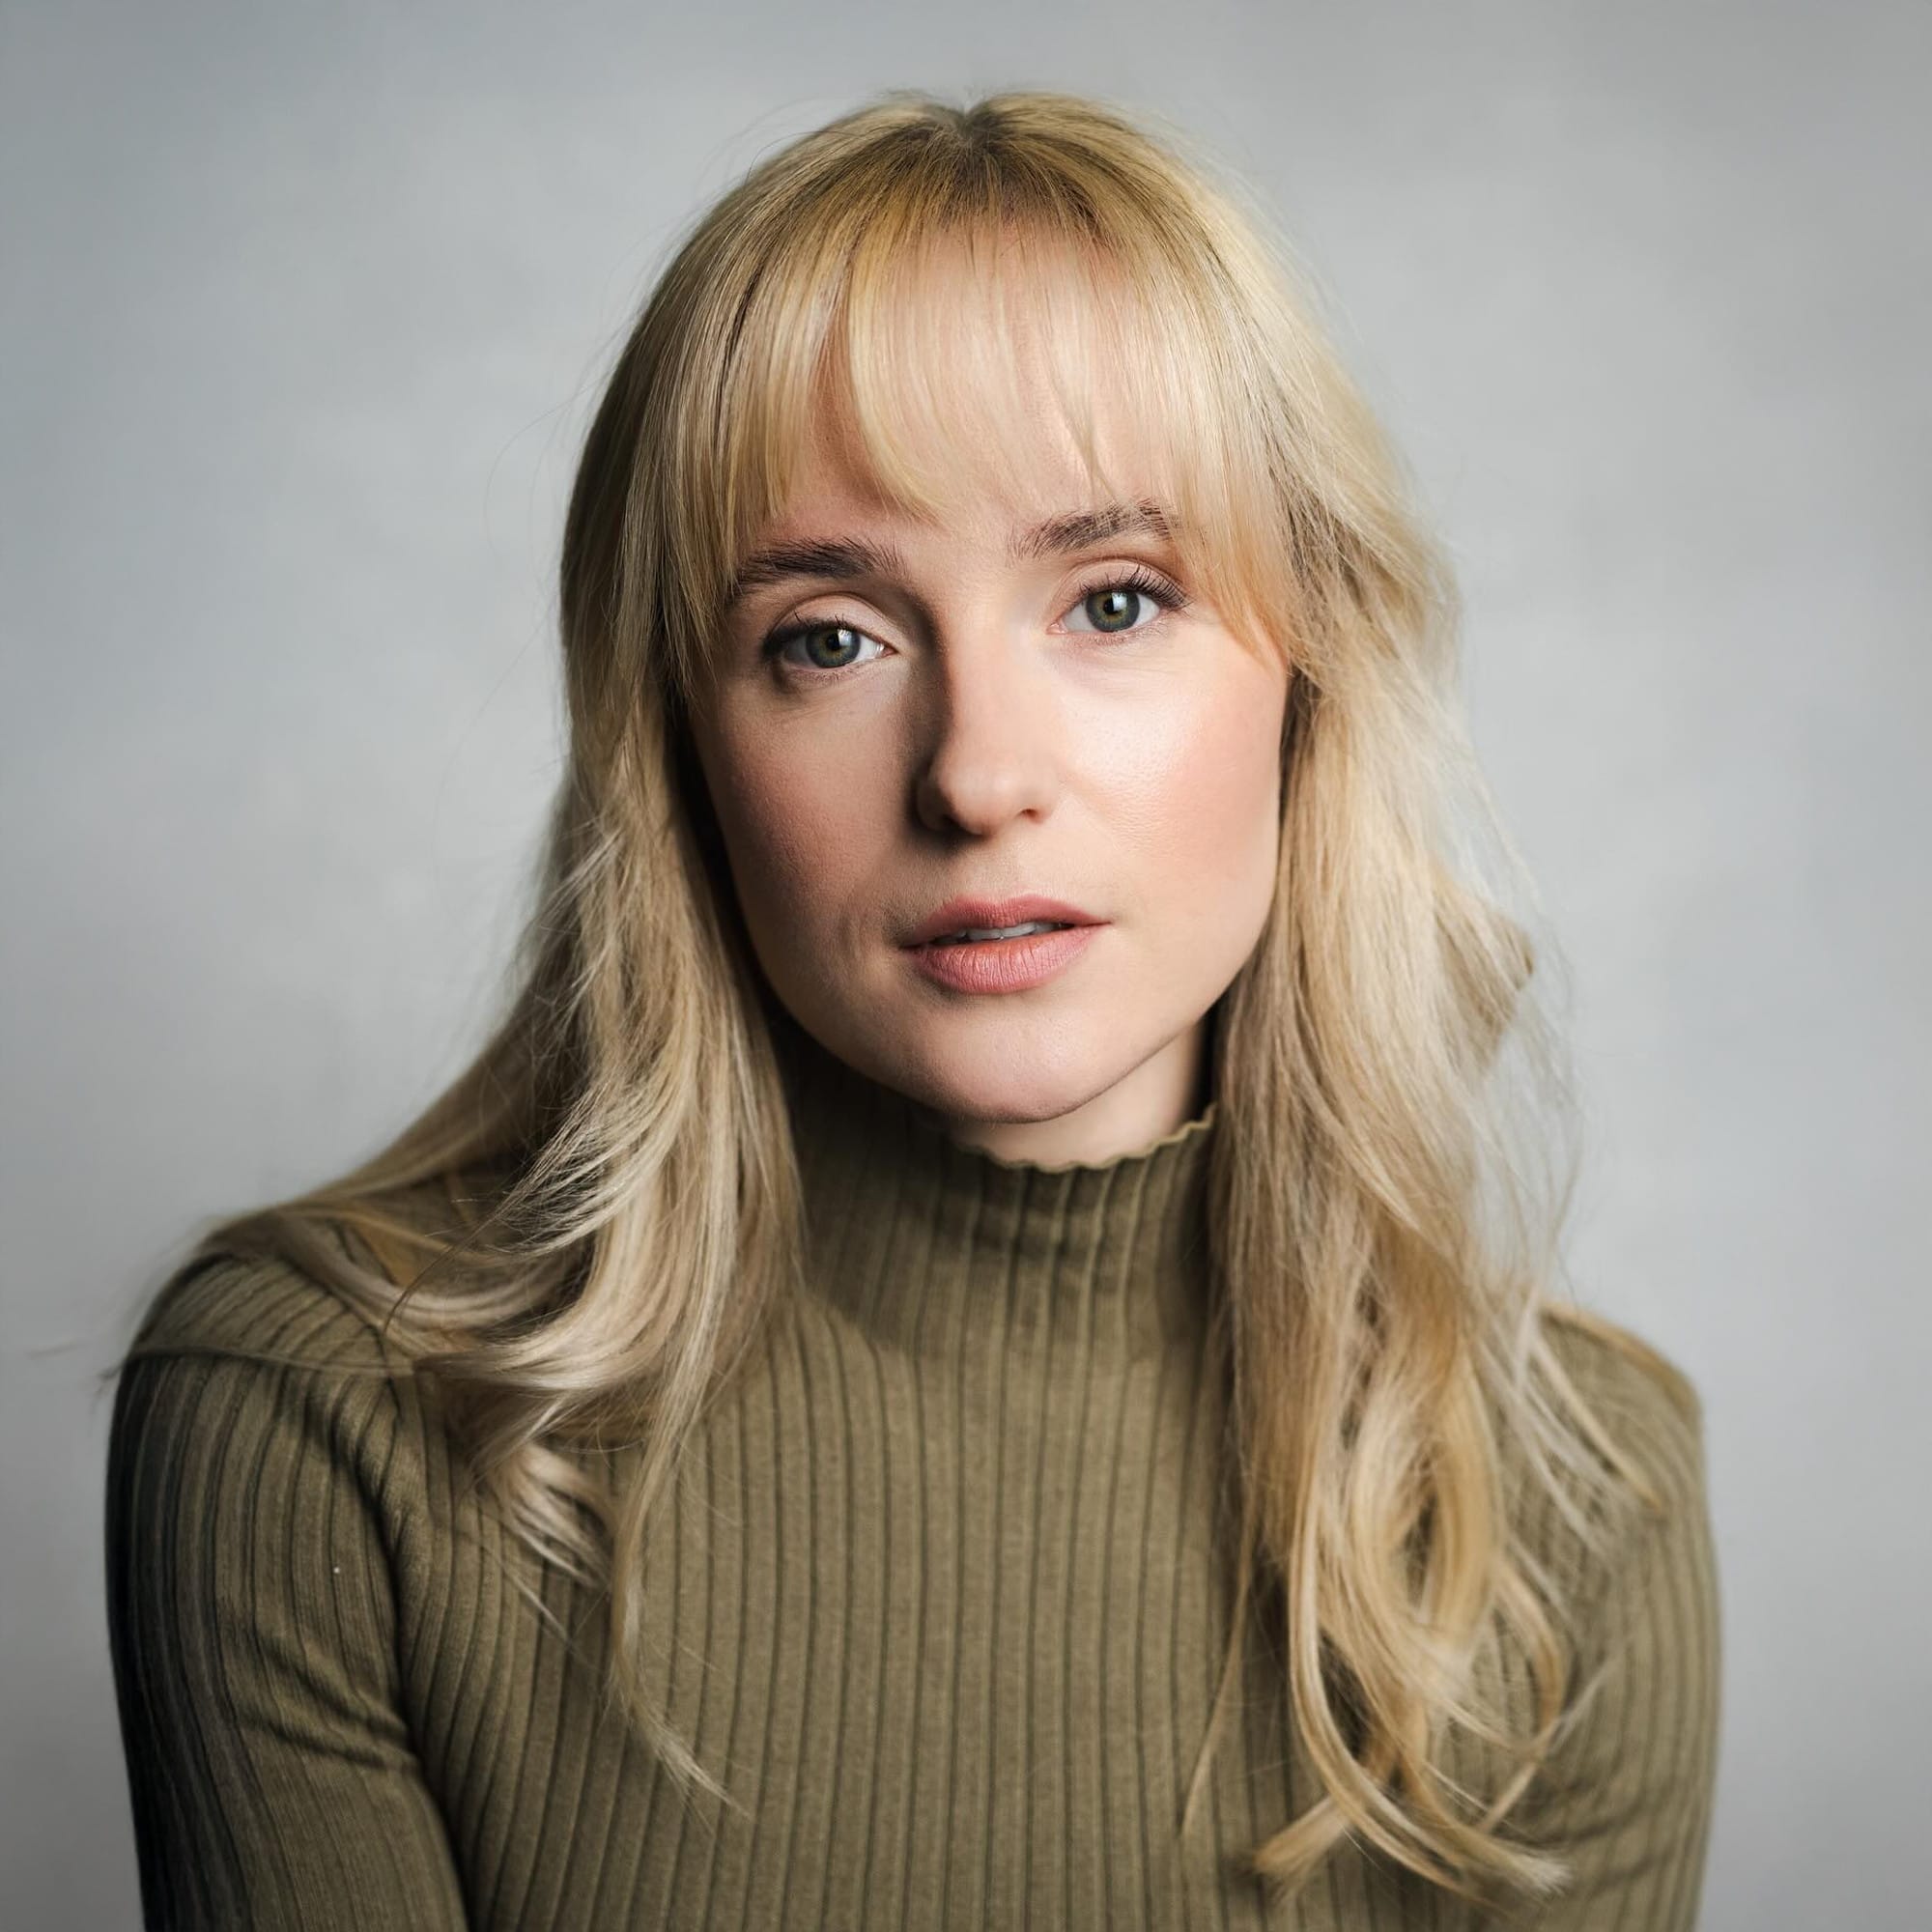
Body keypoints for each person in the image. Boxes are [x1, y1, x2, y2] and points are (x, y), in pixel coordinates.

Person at [103, 87, 1720, 1930]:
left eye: (1113, 599)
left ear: (1310, 672)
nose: (976, 774)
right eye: (831, 637)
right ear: (684, 745)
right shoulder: (325, 1423)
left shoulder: (1576, 1509)